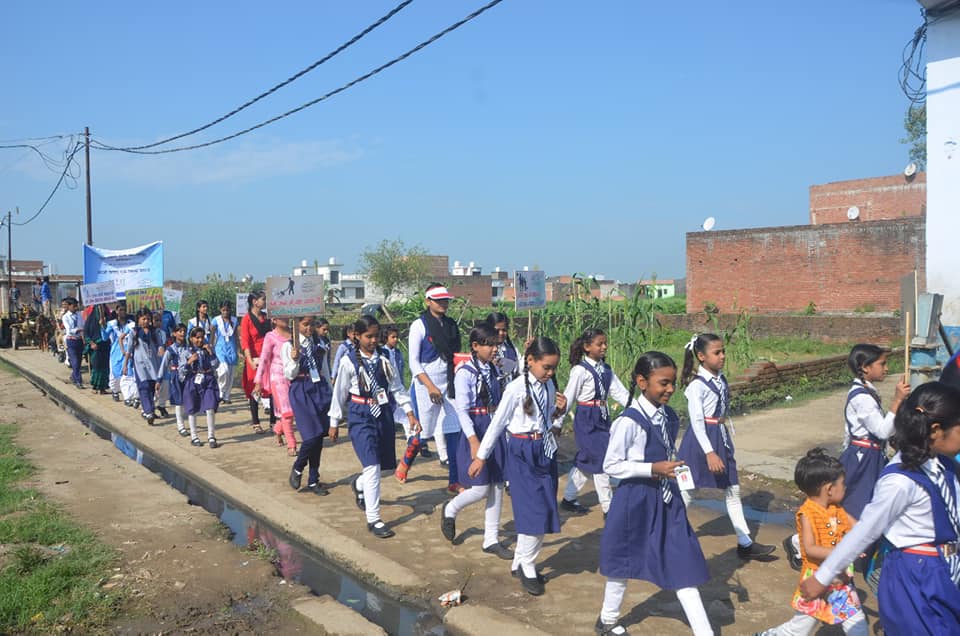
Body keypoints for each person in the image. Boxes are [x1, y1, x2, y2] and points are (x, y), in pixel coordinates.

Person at [799, 382, 960, 635]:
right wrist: (823, 576)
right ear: (937, 431)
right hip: (916, 575)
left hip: (946, 570)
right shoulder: (900, 480)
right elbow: (865, 531)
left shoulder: (945, 467)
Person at [595, 351, 713, 636]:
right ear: (642, 381)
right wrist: (652, 468)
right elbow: (610, 465)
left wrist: (671, 469)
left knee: (682, 560)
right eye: (663, 383)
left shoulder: (669, 416)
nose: (670, 389)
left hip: (667, 499)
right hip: (635, 499)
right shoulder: (629, 421)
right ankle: (607, 620)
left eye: (672, 383)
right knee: (624, 560)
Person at [784, 344, 911, 570]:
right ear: (864, 367)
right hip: (862, 459)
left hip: (869, 457)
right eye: (881, 364)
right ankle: (801, 541)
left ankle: (846, 548)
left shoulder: (867, 391)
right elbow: (881, 430)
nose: (886, 368)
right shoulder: (861, 397)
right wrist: (897, 401)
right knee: (851, 507)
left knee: (860, 506)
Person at [468, 336, 567, 596]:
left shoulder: (547, 386)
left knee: (545, 507)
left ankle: (519, 561)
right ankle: (528, 565)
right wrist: (481, 456)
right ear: (531, 361)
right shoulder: (515, 389)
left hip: (544, 449)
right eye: (546, 367)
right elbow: (497, 424)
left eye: (554, 368)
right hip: (522, 451)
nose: (550, 372)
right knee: (533, 511)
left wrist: (560, 412)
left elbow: (547, 420)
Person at [676, 333, 775, 560]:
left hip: (719, 436)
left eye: (723, 351)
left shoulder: (720, 379)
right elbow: (697, 422)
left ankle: (745, 542)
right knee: (688, 490)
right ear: (701, 356)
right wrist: (710, 452)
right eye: (717, 352)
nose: (722, 356)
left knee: (733, 489)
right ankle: (667, 531)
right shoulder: (696, 387)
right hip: (700, 442)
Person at [755, 448, 866, 636]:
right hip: (816, 579)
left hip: (841, 581)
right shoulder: (808, 514)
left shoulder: (837, 509)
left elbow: (860, 528)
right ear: (829, 489)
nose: (846, 488)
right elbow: (810, 548)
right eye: (843, 484)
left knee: (857, 624)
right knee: (799, 630)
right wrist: (846, 551)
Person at [330, 316, 419, 539]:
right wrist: (334, 422)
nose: (372, 340)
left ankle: (359, 484)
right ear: (356, 336)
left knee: (382, 467)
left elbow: (397, 387)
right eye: (367, 336)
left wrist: (409, 413)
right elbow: (340, 393)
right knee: (371, 466)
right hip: (360, 416)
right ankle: (374, 519)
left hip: (383, 413)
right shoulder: (348, 361)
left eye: (375, 336)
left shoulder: (385, 358)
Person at [440, 324, 512, 559]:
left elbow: (519, 370)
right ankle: (451, 508)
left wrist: (528, 352)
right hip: (477, 428)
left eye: (496, 344)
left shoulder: (496, 365)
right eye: (489, 344)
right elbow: (462, 411)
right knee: (480, 488)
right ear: (475, 346)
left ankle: (491, 539)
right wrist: (473, 441)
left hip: (495, 425)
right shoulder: (465, 372)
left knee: (498, 484)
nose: (494, 349)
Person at [560, 328, 630, 517]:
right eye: (600, 344)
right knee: (602, 460)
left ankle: (568, 498)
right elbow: (569, 396)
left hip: (603, 417)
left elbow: (620, 393)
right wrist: (558, 422)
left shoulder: (606, 370)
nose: (604, 347)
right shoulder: (580, 371)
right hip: (586, 418)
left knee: (587, 459)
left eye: (605, 343)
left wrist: (638, 409)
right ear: (587, 347)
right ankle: (608, 507)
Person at [408, 284, 461, 461]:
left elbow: (456, 354)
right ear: (428, 301)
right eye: (438, 300)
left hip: (449, 379)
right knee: (424, 428)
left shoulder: (451, 325)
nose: (443, 304)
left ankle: (453, 473)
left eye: (445, 300)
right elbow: (413, 362)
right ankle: (407, 461)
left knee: (453, 426)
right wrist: (430, 386)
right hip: (426, 382)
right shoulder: (419, 325)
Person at [284, 316, 333, 496]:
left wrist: (332, 391)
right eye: (305, 324)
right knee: (310, 436)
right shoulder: (289, 345)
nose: (309, 328)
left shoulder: (320, 343)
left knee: (319, 435)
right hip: (300, 389)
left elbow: (325, 369)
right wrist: (295, 360)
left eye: (311, 324)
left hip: (319, 388)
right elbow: (288, 374)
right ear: (296, 326)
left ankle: (314, 479)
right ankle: (298, 467)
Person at [254, 318, 296, 455]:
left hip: (294, 375)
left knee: (294, 409)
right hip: (278, 377)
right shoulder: (270, 336)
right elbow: (264, 359)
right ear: (274, 319)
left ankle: (278, 429)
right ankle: (292, 444)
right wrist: (258, 381)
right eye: (282, 315)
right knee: (287, 411)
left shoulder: (295, 334)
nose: (286, 318)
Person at [180, 326, 220, 448]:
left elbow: (216, 364)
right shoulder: (186, 352)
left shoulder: (208, 349)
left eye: (202, 337)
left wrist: (211, 353)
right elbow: (181, 371)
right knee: (192, 408)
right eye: (197, 338)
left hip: (208, 379)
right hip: (193, 380)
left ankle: (211, 435)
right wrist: (189, 362)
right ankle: (194, 436)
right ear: (191, 338)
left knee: (210, 407)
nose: (200, 340)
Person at [123, 308, 164, 425]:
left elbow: (160, 345)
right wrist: (125, 365)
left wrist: (161, 348)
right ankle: (149, 411)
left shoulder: (155, 332)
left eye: (148, 319)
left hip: (153, 364)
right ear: (138, 320)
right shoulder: (134, 333)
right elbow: (129, 350)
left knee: (152, 387)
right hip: (140, 365)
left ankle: (148, 410)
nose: (146, 321)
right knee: (144, 387)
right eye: (143, 319)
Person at [240, 291, 270, 434]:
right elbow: (245, 342)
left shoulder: (266, 318)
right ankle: (256, 422)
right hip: (255, 359)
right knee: (254, 391)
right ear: (254, 301)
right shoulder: (246, 319)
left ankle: (273, 421)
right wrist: (250, 361)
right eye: (263, 299)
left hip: (268, 358)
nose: (265, 301)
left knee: (271, 389)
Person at [160, 323, 190, 436]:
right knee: (178, 401)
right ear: (174, 333)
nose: (182, 333)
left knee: (187, 400)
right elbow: (163, 365)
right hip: (175, 376)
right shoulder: (171, 350)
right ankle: (180, 425)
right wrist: (159, 380)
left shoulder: (188, 348)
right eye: (180, 331)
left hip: (187, 376)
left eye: (184, 331)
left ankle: (188, 423)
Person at [383, 326, 411, 438]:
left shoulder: (398, 353)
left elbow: (400, 371)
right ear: (386, 338)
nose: (395, 339)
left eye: (397, 337)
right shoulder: (383, 353)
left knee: (405, 414)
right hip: (387, 391)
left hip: (398, 388)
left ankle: (411, 439)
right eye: (392, 337)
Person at [211, 301, 239, 404]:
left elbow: (236, 336)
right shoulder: (216, 320)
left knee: (231, 374)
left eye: (227, 310)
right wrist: (210, 346)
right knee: (224, 371)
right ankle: (220, 392)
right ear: (220, 310)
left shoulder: (234, 320)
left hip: (231, 349)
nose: (225, 312)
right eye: (223, 310)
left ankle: (226, 396)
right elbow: (212, 334)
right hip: (220, 348)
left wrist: (239, 350)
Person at [106, 302, 134, 403]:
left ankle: (128, 395)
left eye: (124, 310)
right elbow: (105, 337)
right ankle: (115, 390)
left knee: (128, 373)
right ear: (116, 311)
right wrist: (102, 326)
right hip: (116, 350)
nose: (122, 312)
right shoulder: (112, 324)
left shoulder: (131, 323)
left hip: (128, 350)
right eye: (120, 310)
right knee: (115, 372)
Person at [486, 311, 521, 390]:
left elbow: (519, 369)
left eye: (504, 330)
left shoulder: (512, 349)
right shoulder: (483, 350)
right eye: (497, 330)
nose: (501, 333)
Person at [83, 305, 111, 394]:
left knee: (105, 367)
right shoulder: (90, 321)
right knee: (97, 366)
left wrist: (103, 322)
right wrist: (91, 343)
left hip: (105, 346)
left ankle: (103, 387)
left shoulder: (108, 320)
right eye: (99, 310)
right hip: (95, 347)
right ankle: (95, 387)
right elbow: (86, 333)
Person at [61, 297, 84, 389]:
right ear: (69, 306)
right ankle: (78, 381)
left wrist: (82, 330)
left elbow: (83, 324)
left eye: (76, 306)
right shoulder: (65, 317)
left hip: (79, 340)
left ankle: (73, 376)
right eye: (74, 306)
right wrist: (78, 329)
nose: (75, 308)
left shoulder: (79, 315)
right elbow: (69, 330)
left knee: (78, 361)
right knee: (74, 361)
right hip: (71, 340)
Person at [152, 311, 171, 418]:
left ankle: (162, 405)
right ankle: (151, 407)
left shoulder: (163, 333)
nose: (158, 323)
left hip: (163, 361)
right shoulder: (149, 333)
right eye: (155, 320)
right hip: (153, 362)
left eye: (159, 320)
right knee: (155, 385)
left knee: (165, 383)